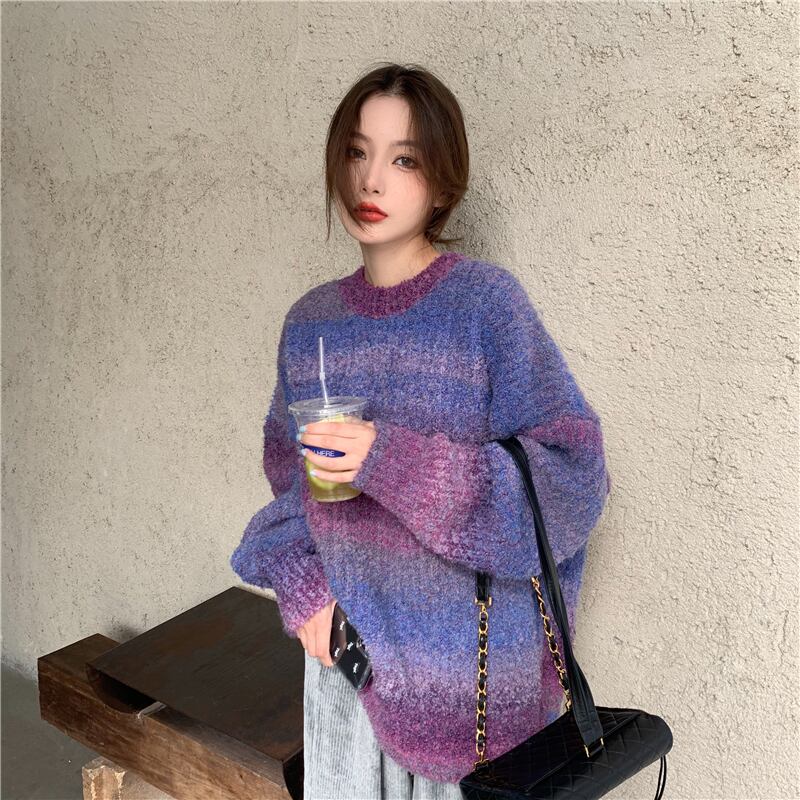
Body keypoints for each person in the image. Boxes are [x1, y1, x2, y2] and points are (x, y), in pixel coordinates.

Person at [230, 62, 611, 800]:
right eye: (356, 152)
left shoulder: (485, 307)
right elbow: (289, 493)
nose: (371, 180)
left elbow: (571, 479)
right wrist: (305, 591)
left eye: (403, 159)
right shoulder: (311, 325)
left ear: (442, 182)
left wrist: (389, 459)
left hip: (478, 702)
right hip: (349, 675)